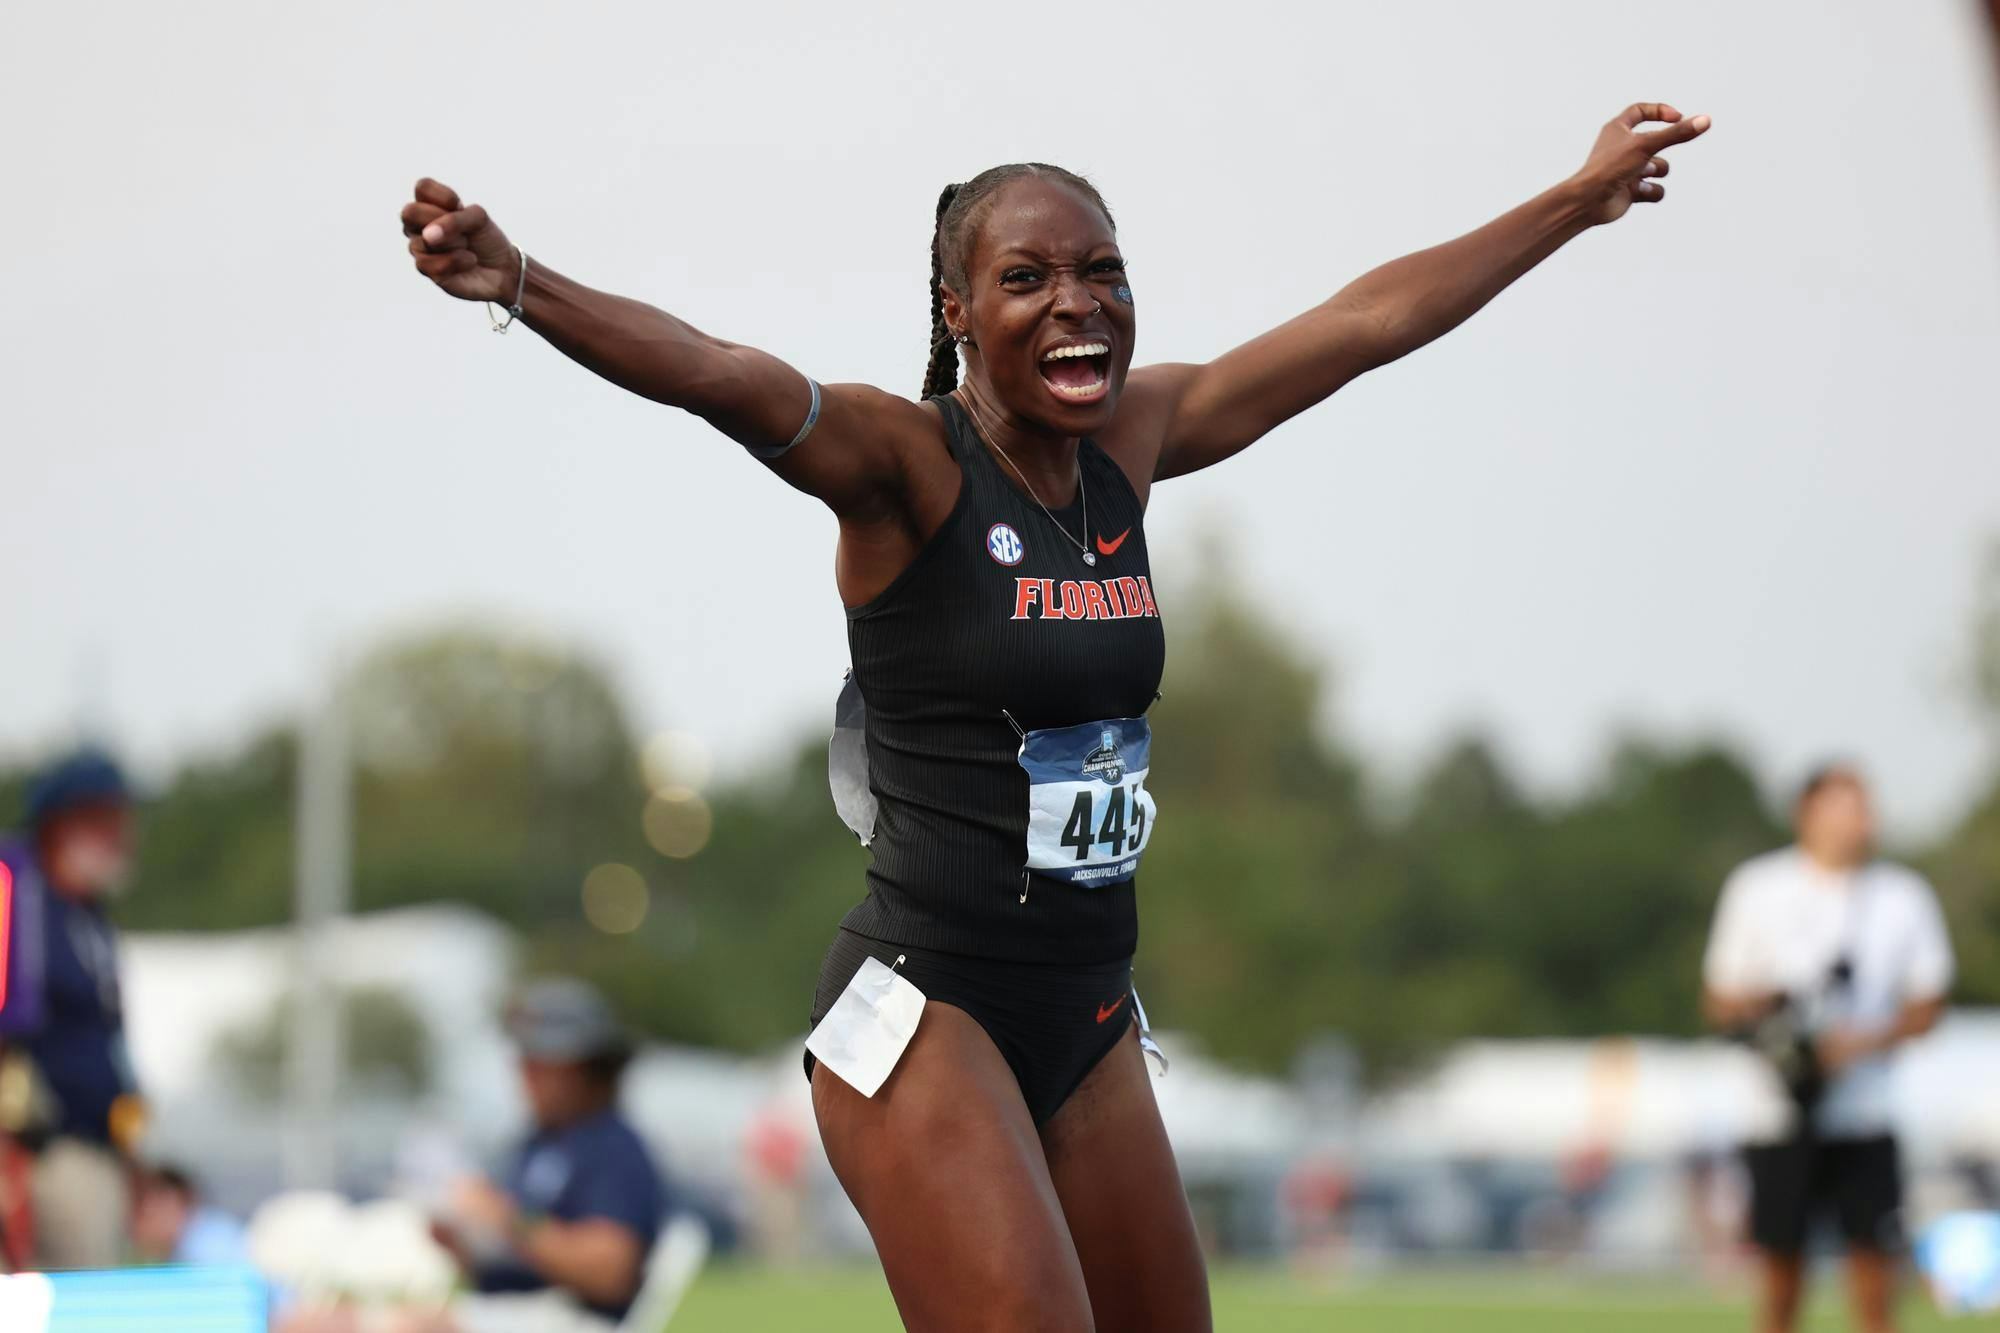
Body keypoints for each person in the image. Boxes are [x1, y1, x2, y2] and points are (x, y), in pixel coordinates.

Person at [400, 102, 1710, 1330]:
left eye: (1103, 271)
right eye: (1028, 278)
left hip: (1087, 1006)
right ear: (958, 310)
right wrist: (522, 279)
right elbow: (720, 375)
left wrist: (1577, 199)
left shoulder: (1133, 442)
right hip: (925, 1005)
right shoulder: (903, 464)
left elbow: (1364, 323)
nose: (1077, 305)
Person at [1703, 765, 1955, 1333]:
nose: (1859, 823)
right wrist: (1779, 1016)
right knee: (1780, 1282)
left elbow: (1929, 1000)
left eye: (1864, 808)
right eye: (1844, 808)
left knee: (1873, 1279)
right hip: (1777, 1112)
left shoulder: (1901, 895)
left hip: (1865, 1112)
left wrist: (1861, 1043)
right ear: (1807, 814)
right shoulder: (1757, 887)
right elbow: (1719, 997)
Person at [430, 977, 667, 1330]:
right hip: (514, 1311)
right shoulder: (534, 1143)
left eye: (540, 1064)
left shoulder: (613, 1149)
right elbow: (509, 1265)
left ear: (584, 1069)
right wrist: (461, 1240)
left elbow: (610, 1271)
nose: (525, 1076)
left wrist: (508, 1220)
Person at [0, 747, 145, 1269]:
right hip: (36, 1151)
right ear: (64, 825)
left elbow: (111, 1049)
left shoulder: (89, 919)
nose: (122, 837)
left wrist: (133, 1148)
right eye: (107, 821)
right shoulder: (15, 893)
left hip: (94, 1146)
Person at [131, 1163, 250, 1266]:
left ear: (174, 1199)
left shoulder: (208, 1243)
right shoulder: (189, 1240)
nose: (139, 1225)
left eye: (146, 1213)